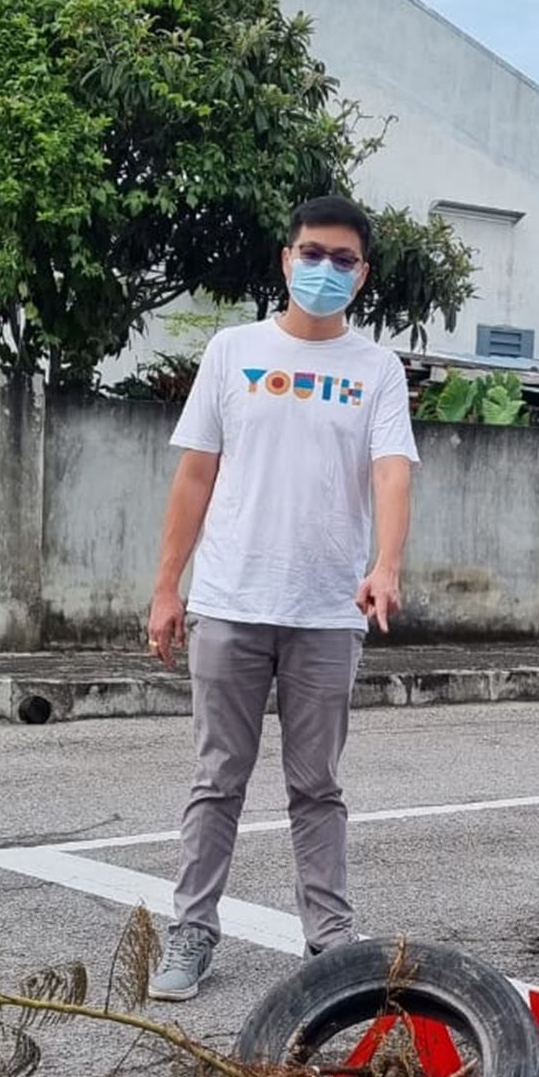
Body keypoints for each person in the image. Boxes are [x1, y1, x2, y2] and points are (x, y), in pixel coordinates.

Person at [144, 195, 418, 1002]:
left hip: (327, 612)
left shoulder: (376, 369)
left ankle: (328, 940)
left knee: (317, 786)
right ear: (285, 259)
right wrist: (166, 587)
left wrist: (386, 564)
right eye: (312, 254)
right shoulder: (233, 352)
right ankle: (192, 930)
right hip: (229, 601)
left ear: (361, 275)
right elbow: (195, 474)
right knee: (216, 779)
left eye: (342, 259)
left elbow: (391, 471)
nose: (324, 269)